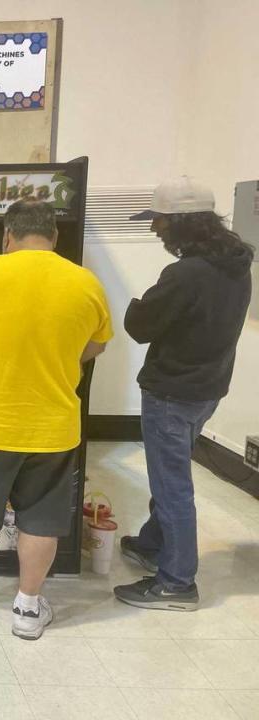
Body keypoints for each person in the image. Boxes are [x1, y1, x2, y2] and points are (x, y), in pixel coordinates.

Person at [0, 198, 113, 640]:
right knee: (42, 519)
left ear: (7, 236)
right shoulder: (85, 282)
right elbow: (95, 346)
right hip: (53, 428)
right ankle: (28, 609)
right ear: (54, 236)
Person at [114, 177, 253, 611]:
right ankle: (154, 544)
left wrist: (135, 304)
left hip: (172, 391)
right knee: (169, 473)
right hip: (207, 388)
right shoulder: (236, 266)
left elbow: (139, 326)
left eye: (157, 219)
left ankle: (176, 581)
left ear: (179, 222)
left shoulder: (185, 274)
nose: (154, 228)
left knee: (171, 483)